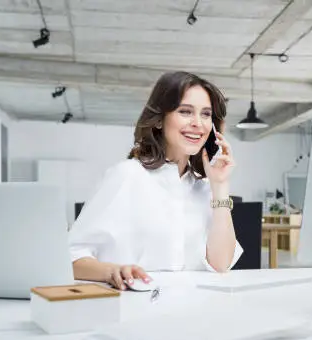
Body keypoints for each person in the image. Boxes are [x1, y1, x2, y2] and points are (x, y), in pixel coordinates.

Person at [69, 71, 243, 290]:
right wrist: (110, 271)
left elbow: (221, 265)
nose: (198, 123)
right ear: (160, 120)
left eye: (206, 114)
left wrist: (220, 186)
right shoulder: (127, 175)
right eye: (185, 111)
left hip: (193, 311)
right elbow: (71, 255)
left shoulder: (205, 187)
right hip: (134, 308)